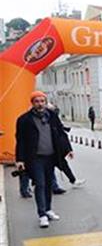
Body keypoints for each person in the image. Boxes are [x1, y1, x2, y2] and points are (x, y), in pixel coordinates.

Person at [15, 91, 72, 228]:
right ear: (32, 103)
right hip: (35, 158)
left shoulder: (52, 116)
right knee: (39, 184)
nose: (40, 104)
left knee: (48, 184)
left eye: (42, 101)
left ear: (45, 102)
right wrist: (20, 159)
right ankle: (42, 214)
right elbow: (20, 141)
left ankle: (48, 209)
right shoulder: (24, 120)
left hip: (51, 156)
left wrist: (68, 149)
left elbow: (60, 133)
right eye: (37, 101)